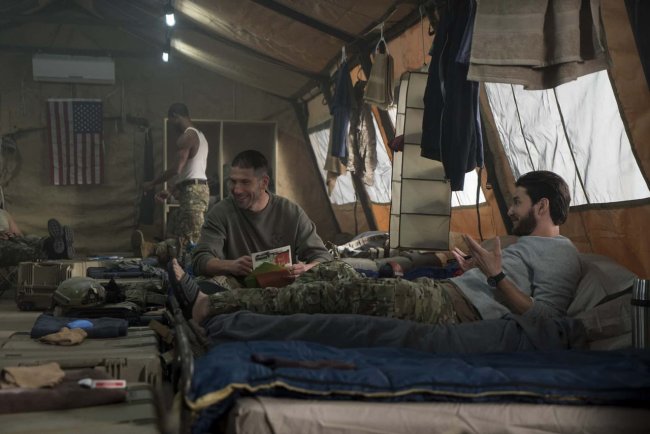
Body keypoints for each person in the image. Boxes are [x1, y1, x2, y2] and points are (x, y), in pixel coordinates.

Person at [171, 170, 581, 326]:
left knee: (333, 293)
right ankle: (230, 295)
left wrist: (496, 276)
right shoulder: (523, 243)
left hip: (453, 310)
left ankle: (211, 305)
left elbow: (548, 321)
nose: (509, 209)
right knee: (328, 270)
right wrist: (474, 267)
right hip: (442, 292)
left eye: (517, 202)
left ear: (542, 206)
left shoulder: (562, 255)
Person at [191, 150, 333, 287]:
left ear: (264, 182)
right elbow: (200, 260)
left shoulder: (291, 213)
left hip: (284, 290)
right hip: (237, 290)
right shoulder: (220, 213)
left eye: (245, 182)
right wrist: (231, 265)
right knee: (205, 283)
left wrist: (305, 269)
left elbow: (323, 257)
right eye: (233, 181)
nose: (237, 190)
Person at [143, 103, 209, 249]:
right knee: (185, 236)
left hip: (193, 193)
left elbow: (176, 169)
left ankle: (153, 249)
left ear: (175, 116)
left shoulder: (188, 137)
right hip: (195, 190)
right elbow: (191, 172)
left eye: (171, 121)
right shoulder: (200, 136)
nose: (172, 126)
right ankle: (153, 249)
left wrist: (152, 183)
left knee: (190, 240)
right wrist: (171, 190)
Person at [0, 209, 74, 265]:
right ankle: (56, 251)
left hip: (10, 238)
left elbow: (18, 234)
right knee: (24, 251)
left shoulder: (3, 213)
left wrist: (13, 236)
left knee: (32, 239)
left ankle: (52, 243)